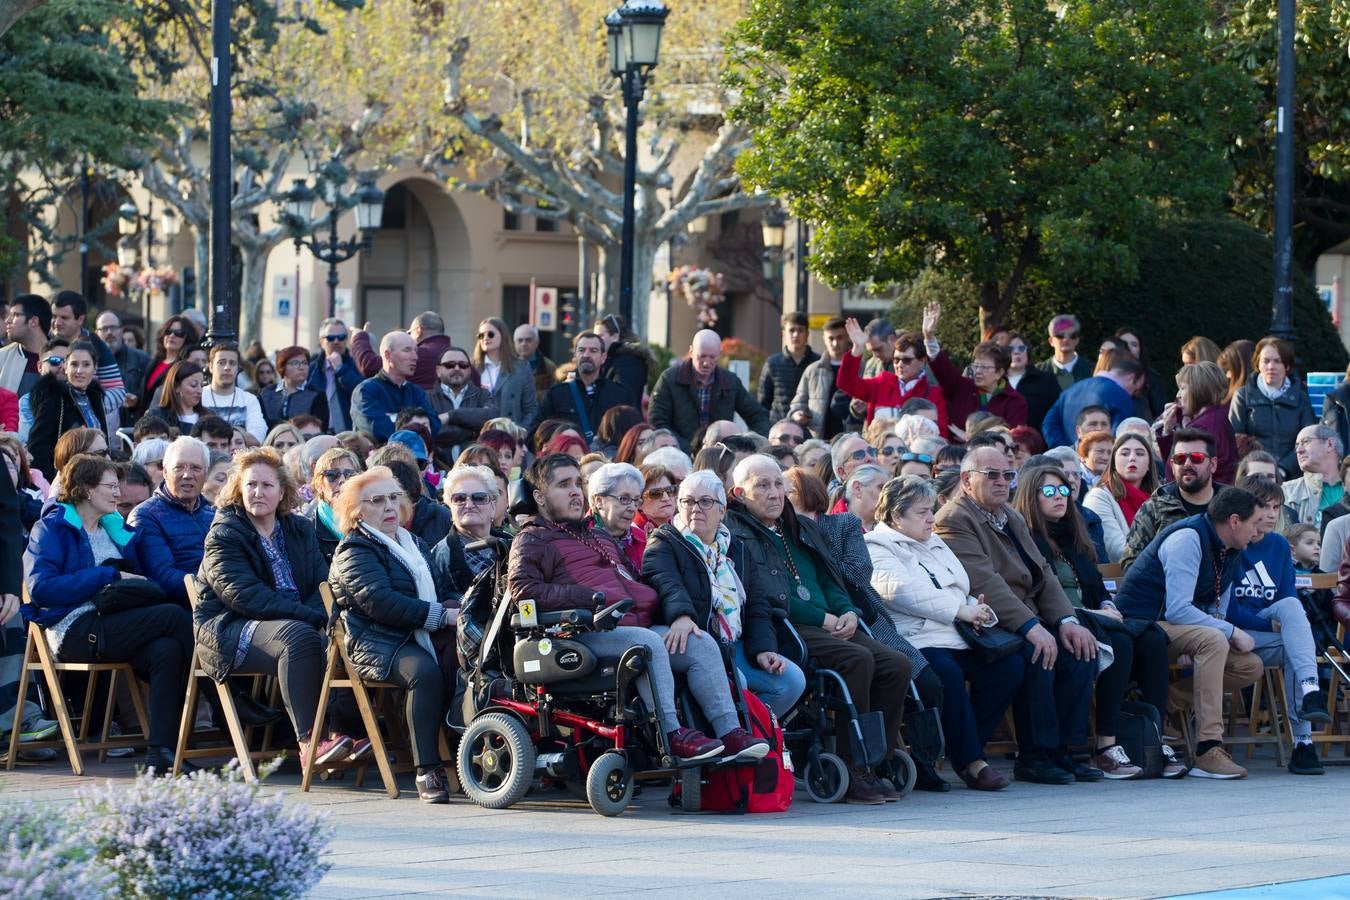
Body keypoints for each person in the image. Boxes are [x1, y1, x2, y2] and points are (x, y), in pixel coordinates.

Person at [507, 453, 767, 763]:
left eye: (578, 483)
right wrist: (587, 596)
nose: (576, 491)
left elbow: (636, 581)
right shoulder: (533, 539)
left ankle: (730, 732)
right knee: (649, 643)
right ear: (538, 496)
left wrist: (675, 614)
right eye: (563, 485)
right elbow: (523, 591)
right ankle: (672, 735)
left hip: (633, 625)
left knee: (699, 643)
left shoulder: (597, 536)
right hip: (581, 633)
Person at [727, 454, 911, 803]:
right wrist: (822, 618)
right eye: (762, 486)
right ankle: (852, 764)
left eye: (779, 484)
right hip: (789, 627)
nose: (774, 493)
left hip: (833, 622)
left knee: (896, 664)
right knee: (857, 659)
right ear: (739, 492)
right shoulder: (737, 534)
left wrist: (847, 611)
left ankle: (877, 760)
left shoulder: (800, 526)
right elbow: (763, 593)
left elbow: (831, 579)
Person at [934, 446, 1101, 785]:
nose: (1002, 482)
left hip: (1030, 614)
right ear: (966, 480)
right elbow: (985, 582)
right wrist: (1031, 627)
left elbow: (1043, 573)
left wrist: (1067, 621)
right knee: (1038, 653)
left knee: (1081, 650)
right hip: (991, 619)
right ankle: (1035, 755)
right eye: (991, 475)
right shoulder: (954, 519)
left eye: (1008, 475)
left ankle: (1064, 750)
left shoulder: (1011, 515)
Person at [23, 453, 193, 773]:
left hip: (115, 623)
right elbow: (42, 589)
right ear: (87, 489)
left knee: (166, 649)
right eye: (111, 486)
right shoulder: (52, 528)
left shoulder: (116, 530)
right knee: (172, 616)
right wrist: (106, 575)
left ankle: (162, 753)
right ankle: (227, 695)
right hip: (73, 629)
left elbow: (139, 582)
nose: (119, 493)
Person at [194, 447, 356, 768]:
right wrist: (311, 617)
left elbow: (321, 584)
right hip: (231, 627)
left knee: (347, 637)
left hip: (294, 622)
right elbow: (245, 596)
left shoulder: (299, 529)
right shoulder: (224, 532)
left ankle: (342, 734)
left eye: (267, 485)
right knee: (300, 637)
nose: (258, 492)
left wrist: (317, 616)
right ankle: (310, 742)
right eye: (251, 484)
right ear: (239, 488)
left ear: (282, 491)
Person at [866, 475, 1021, 790]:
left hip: (957, 635)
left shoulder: (934, 542)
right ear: (897, 516)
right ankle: (972, 762)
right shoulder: (877, 546)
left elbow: (958, 586)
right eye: (922, 512)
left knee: (1009, 667)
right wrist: (959, 610)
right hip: (917, 639)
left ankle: (964, 746)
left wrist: (977, 610)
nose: (931, 518)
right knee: (947, 675)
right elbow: (899, 590)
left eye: (930, 509)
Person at [1014, 464, 1169, 779]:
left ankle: (1156, 740)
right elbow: (1042, 594)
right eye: (1048, 491)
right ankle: (1105, 746)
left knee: (1153, 640)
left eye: (1064, 490)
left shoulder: (1075, 536)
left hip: (1094, 617)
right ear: (1031, 496)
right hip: (1060, 620)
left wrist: (1106, 605)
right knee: (1122, 642)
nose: (1059, 497)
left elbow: (1096, 587)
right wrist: (1097, 614)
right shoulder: (1027, 540)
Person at [1112, 487, 1267, 779]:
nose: (1259, 531)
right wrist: (1228, 631)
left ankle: (1170, 701)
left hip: (1177, 629)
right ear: (1234, 521)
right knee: (1213, 638)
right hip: (1141, 625)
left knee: (1250, 666)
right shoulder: (1187, 538)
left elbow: (1216, 608)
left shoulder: (1231, 549)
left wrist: (1201, 638)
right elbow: (1178, 609)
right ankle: (1208, 748)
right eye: (1255, 522)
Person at [329, 465, 458, 802]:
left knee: (473, 660)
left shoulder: (412, 541)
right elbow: (381, 603)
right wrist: (441, 615)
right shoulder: (354, 550)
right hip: (376, 641)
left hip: (417, 633)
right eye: (376, 500)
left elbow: (443, 587)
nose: (388, 506)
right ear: (356, 510)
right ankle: (427, 770)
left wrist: (460, 606)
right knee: (424, 673)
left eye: (393, 498)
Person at [643, 470, 806, 716]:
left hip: (735, 643)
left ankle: (754, 736)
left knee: (791, 681)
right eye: (688, 501)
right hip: (701, 641)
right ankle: (733, 736)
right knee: (736, 683)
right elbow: (665, 582)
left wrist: (764, 649)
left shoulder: (736, 548)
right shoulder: (665, 542)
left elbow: (756, 605)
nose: (696, 508)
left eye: (706, 501)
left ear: (722, 510)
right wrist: (681, 615)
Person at [1228, 475, 1331, 775]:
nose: (1273, 514)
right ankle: (1310, 697)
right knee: (1293, 636)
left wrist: (1277, 625)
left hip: (1271, 627)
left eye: (1278, 507)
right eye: (1266, 506)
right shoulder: (1232, 543)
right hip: (1238, 630)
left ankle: (1303, 743)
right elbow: (1228, 608)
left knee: (1290, 617)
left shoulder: (1277, 545)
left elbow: (1287, 596)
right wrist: (1271, 626)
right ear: (1248, 507)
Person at [127, 436, 216, 605]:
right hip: (184, 608)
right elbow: (163, 576)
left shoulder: (213, 512)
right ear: (165, 472)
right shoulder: (145, 516)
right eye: (179, 468)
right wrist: (219, 589)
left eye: (196, 468)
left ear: (205, 474)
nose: (187, 475)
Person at [921, 302, 1027, 438]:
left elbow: (1011, 440)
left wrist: (969, 438)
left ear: (1000, 372)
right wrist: (929, 337)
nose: (977, 371)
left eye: (984, 367)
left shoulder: (1014, 402)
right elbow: (942, 366)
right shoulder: (962, 387)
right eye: (975, 366)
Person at [651, 329, 770, 450]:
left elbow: (758, 416)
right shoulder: (670, 379)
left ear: (720, 354)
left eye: (712, 357)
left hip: (720, 453)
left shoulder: (730, 382)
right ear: (691, 352)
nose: (706, 363)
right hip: (679, 453)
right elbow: (658, 422)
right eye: (701, 356)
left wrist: (752, 446)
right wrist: (684, 448)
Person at [1122, 428, 1221, 568]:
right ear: (1173, 466)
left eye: (1197, 458)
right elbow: (1131, 563)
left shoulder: (1232, 505)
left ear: (1213, 465)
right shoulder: (1154, 508)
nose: (1187, 464)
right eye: (1180, 458)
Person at [836, 317, 948, 434]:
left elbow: (942, 435)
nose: (900, 364)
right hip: (880, 450)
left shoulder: (934, 393)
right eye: (896, 360)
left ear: (922, 361)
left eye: (907, 360)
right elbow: (845, 382)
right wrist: (857, 348)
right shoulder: (881, 384)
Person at [1229, 337, 1315, 479]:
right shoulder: (1242, 396)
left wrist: (1282, 469)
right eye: (1266, 361)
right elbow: (1234, 439)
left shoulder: (1301, 398)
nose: (1271, 366)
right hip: (1253, 476)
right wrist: (1260, 470)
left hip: (1292, 476)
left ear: (1287, 366)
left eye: (1277, 361)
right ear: (1258, 363)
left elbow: (1308, 440)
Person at [26, 338, 109, 480]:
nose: (79, 371)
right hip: (66, 479)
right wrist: (47, 483)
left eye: (86, 365)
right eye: (74, 364)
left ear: (94, 368)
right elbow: (37, 445)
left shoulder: (96, 399)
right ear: (65, 366)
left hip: (97, 476)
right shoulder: (55, 398)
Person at [536, 332, 630, 446]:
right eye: (581, 350)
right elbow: (536, 433)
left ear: (603, 357)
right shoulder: (557, 394)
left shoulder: (620, 394)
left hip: (610, 460)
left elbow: (633, 435)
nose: (586, 355)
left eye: (593, 351)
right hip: (568, 461)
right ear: (575, 356)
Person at [350, 331, 442, 444]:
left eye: (416, 351)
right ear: (388, 355)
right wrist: (417, 424)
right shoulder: (365, 391)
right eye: (407, 350)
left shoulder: (416, 392)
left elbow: (434, 424)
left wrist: (394, 418)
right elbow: (378, 431)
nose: (415, 357)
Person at [432, 464, 510, 594]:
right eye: (459, 498)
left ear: (493, 505)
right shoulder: (441, 555)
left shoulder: (511, 543)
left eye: (479, 498)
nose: (469, 505)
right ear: (449, 506)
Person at [1041, 357, 1147, 449]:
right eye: (1135, 389)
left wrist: (1065, 450)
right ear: (1131, 378)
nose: (1133, 394)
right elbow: (1118, 437)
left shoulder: (1070, 390)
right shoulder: (1121, 395)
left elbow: (1048, 424)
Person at [1084, 433, 1159, 563]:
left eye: (1140, 454)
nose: (1132, 458)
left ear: (1148, 465)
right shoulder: (1099, 497)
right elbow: (1117, 551)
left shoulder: (1160, 499)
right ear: (1113, 462)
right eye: (1125, 453)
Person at [1158, 361, 1237, 485]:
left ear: (1198, 390)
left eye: (1183, 388)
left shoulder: (1202, 427)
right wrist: (1167, 432)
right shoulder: (1215, 418)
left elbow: (1177, 472)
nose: (1178, 395)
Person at [49, 291, 124, 418]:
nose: (57, 322)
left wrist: (86, 406)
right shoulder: (45, 342)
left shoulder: (96, 344)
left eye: (64, 318)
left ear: (80, 319)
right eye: (54, 316)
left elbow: (118, 392)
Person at [790, 317, 858, 440]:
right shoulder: (813, 370)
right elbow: (799, 402)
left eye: (840, 338)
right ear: (824, 339)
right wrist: (798, 413)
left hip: (852, 437)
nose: (835, 343)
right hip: (819, 438)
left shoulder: (859, 367)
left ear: (848, 337)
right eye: (831, 338)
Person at [429, 345, 497, 461]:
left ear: (470, 370)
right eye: (450, 365)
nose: (457, 368)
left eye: (463, 365)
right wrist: (474, 432)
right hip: (438, 469)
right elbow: (430, 431)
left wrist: (450, 417)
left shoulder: (483, 395)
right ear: (438, 370)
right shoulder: (426, 398)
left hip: (476, 470)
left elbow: (490, 420)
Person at [471, 316, 538, 432]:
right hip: (479, 437)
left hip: (511, 436)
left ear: (503, 336)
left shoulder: (521, 367)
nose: (485, 338)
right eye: (481, 335)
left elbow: (531, 409)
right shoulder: (471, 368)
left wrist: (520, 433)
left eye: (490, 334)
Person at [303, 447, 363, 562]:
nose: (342, 480)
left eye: (349, 474)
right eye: (332, 475)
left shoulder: (370, 521)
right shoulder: (307, 531)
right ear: (319, 485)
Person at [759, 312, 820, 423]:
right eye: (792, 330)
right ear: (784, 334)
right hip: (778, 428)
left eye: (800, 330)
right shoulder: (772, 362)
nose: (796, 334)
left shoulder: (818, 363)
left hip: (811, 428)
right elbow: (763, 403)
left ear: (807, 334)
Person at [305, 318, 364, 433]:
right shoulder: (312, 369)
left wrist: (340, 369)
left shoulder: (357, 366)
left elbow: (360, 393)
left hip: (348, 435)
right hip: (317, 434)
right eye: (331, 338)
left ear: (346, 340)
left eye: (341, 337)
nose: (336, 341)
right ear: (321, 342)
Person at [200, 342, 267, 441]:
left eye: (232, 363)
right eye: (221, 363)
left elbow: (257, 438)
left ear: (238, 368)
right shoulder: (199, 396)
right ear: (210, 367)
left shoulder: (249, 399)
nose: (227, 367)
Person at [588, 463, 648, 572]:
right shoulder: (579, 540)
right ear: (599, 501)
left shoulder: (644, 540)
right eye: (624, 499)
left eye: (636, 500)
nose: (632, 508)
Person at [1283, 425, 1343, 530]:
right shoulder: (1287, 491)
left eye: (1305, 442)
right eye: (1297, 445)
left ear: (1330, 444)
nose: (1299, 450)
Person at [594, 313, 655, 411]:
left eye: (600, 336)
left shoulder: (629, 362)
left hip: (623, 421)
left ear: (615, 336)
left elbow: (621, 399)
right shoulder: (610, 360)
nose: (596, 341)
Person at [139, 315, 195, 418]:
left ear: (187, 338)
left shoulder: (184, 367)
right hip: (144, 420)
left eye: (178, 333)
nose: (172, 335)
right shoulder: (154, 362)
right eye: (168, 331)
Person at [261, 347, 328, 431]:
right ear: (282, 367)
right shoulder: (266, 393)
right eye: (295, 363)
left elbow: (321, 428)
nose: (301, 367)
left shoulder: (317, 395)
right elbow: (260, 423)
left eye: (305, 363)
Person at [1005, 331, 1061, 433]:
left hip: (1038, 445)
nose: (1016, 352)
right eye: (1010, 349)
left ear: (1028, 352)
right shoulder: (995, 380)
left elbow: (1057, 415)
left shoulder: (1046, 380)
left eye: (1021, 348)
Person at [97, 310, 150, 415]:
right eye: (104, 328)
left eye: (113, 328)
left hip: (130, 427)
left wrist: (137, 400)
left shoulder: (142, 359)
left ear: (121, 331)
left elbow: (152, 398)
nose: (109, 332)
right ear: (96, 333)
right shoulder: (88, 361)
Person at [0, 294, 50, 398]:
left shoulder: (65, 356)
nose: (7, 320)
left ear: (34, 321)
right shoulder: (2, 358)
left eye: (15, 315)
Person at [1114, 326, 1167, 422]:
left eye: (1134, 344)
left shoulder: (1153, 378)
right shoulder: (1106, 377)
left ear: (1140, 350)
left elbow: (1160, 414)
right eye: (1124, 344)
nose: (1129, 348)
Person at [142, 361, 206, 437]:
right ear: (176, 386)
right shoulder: (157, 416)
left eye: (202, 385)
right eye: (193, 385)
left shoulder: (209, 416)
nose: (200, 390)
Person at [1038, 313, 1093, 390]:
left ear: (1077, 340)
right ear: (1051, 341)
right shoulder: (1038, 372)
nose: (1066, 339)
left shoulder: (1091, 370)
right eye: (1060, 335)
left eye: (1072, 335)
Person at [513, 323, 557, 408]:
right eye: (520, 340)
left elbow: (553, 396)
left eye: (528, 340)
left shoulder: (549, 367)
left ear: (537, 342)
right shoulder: (507, 366)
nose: (524, 344)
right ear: (514, 343)